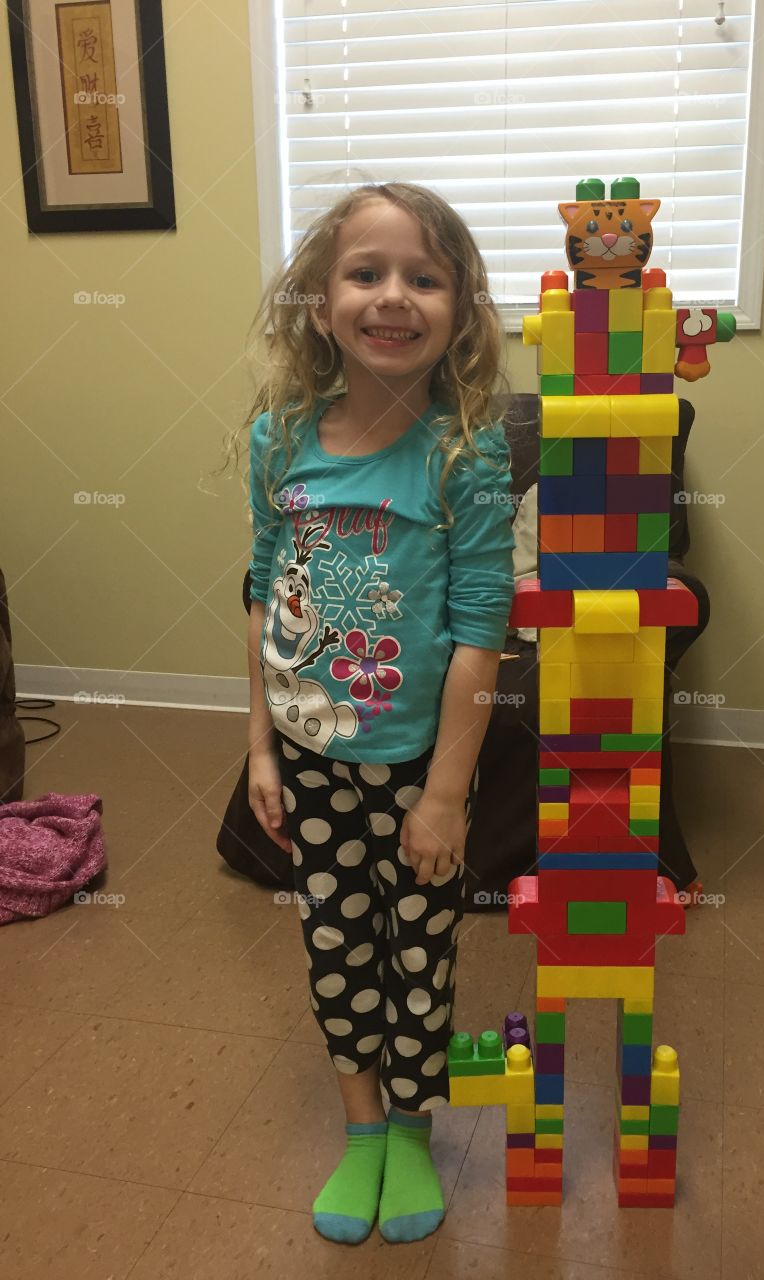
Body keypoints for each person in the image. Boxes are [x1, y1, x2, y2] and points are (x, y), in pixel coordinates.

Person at [238, 182, 515, 1244]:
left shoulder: (467, 452)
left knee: (418, 950)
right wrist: (259, 746)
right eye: (366, 272)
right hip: (309, 754)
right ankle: (360, 1132)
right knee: (336, 944)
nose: (393, 295)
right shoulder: (279, 440)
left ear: (459, 308)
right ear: (321, 301)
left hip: (420, 766)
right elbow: (264, 595)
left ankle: (411, 1125)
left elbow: (483, 635)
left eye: (424, 276)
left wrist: (445, 792)